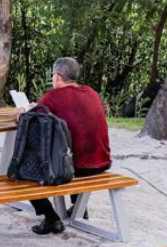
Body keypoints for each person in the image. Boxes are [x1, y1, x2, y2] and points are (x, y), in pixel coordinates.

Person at [26, 57, 111, 235]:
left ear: (57, 76)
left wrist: (23, 110)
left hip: (78, 168)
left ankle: (51, 219)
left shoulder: (53, 96)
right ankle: (79, 208)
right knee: (75, 149)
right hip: (103, 162)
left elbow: (31, 119)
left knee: (27, 172)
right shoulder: (91, 92)